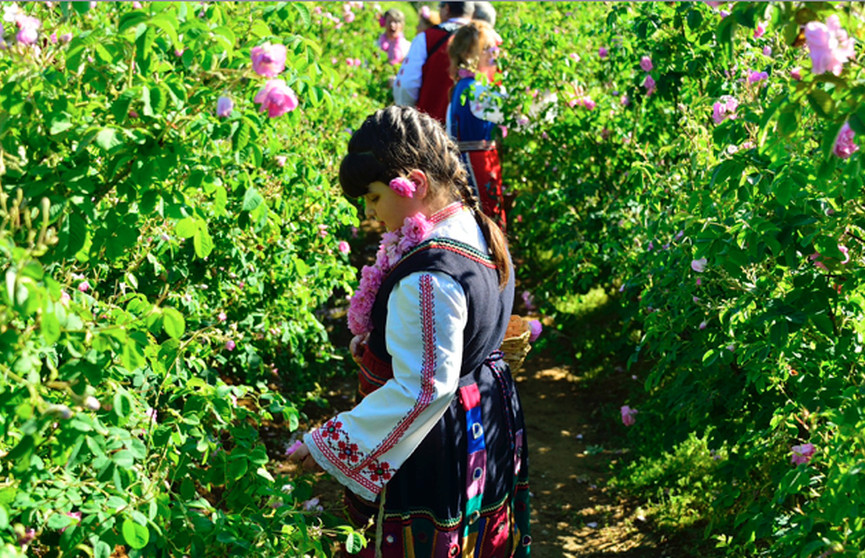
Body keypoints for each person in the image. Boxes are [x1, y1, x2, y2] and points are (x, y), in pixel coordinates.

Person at [289, 106, 531, 557]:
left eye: (374, 196)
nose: (370, 212)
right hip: (484, 414)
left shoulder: (428, 276)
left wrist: (328, 444)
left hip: (439, 438)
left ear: (414, 184)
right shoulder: (475, 226)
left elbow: (422, 389)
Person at [446, 21, 508, 231]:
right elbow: (516, 115)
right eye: (487, 49)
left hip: (471, 160)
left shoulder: (463, 86)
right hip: (478, 163)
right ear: (470, 55)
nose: (494, 54)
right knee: (489, 223)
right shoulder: (477, 90)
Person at [393, 2, 475, 124]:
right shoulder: (487, 39)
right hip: (475, 134)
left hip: (431, 127)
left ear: (446, 9)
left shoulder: (427, 37)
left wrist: (408, 119)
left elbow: (407, 84)